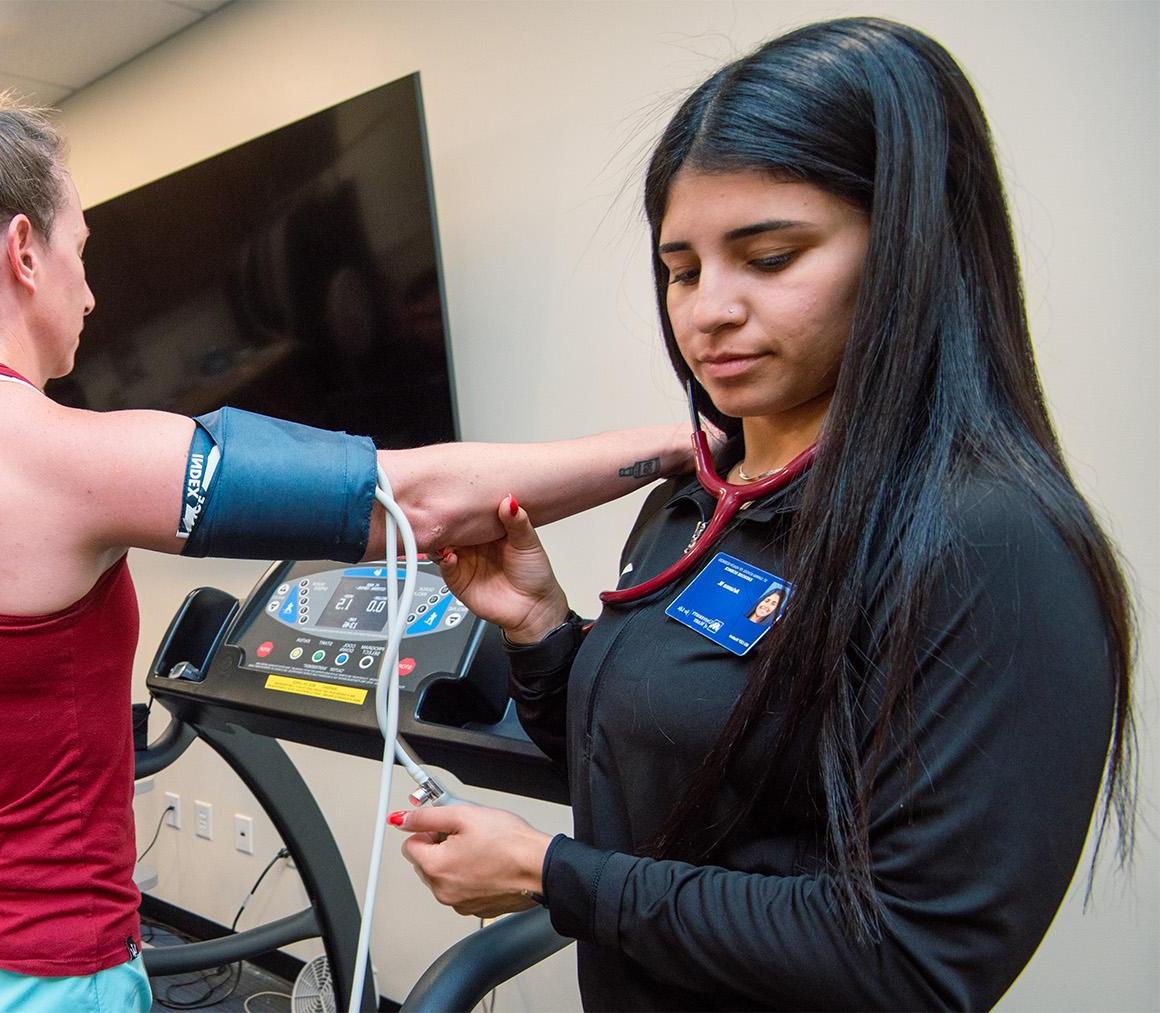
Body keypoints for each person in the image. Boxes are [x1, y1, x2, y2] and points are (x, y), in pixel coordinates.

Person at [0, 40, 701, 1012]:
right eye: (83, 252)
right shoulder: (44, 449)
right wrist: (676, 442)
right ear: (26, 251)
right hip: (30, 976)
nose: (92, 289)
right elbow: (409, 501)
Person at [393, 17, 1135, 1010]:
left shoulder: (987, 538)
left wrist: (547, 872)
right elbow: (647, 782)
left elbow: (912, 960)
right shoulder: (694, 499)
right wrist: (537, 628)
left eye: (771, 257)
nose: (707, 311)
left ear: (912, 248)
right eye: (683, 268)